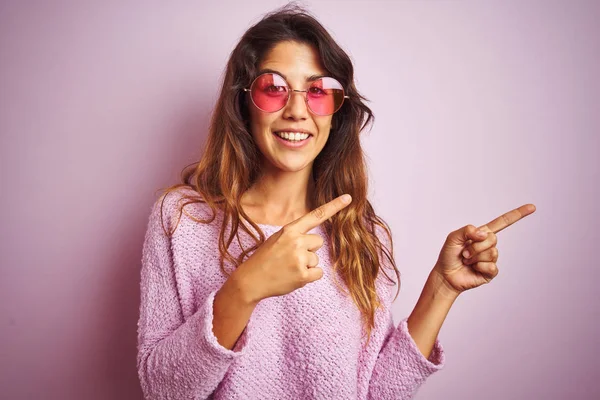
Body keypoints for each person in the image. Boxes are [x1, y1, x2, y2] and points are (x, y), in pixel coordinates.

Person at [136, 4, 536, 400]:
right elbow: (162, 390)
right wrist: (244, 288)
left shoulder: (360, 235)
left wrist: (443, 287)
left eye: (318, 91)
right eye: (274, 88)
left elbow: (376, 392)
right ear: (244, 102)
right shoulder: (183, 219)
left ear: (336, 113)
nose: (297, 111)